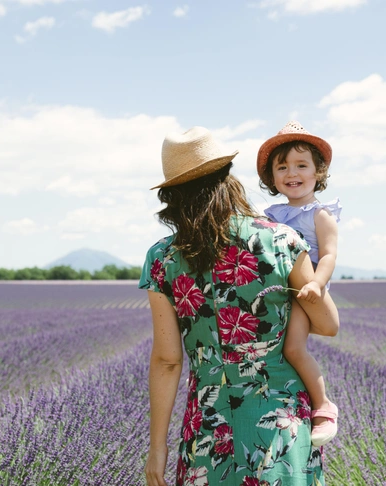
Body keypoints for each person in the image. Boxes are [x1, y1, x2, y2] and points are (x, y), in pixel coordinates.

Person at [139, 126, 340, 486]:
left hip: (207, 426)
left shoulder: (162, 257)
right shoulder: (280, 239)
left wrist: (157, 448)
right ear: (228, 178)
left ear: (172, 195)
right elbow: (327, 325)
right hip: (279, 428)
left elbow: (168, 360)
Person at [256, 121, 341, 447]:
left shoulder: (320, 214)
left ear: (318, 172)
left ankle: (323, 406)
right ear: (273, 178)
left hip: (306, 291)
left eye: (301, 165)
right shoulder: (272, 213)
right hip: (279, 290)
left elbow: (330, 255)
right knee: (273, 350)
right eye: (283, 167)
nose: (292, 173)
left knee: (293, 348)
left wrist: (317, 284)